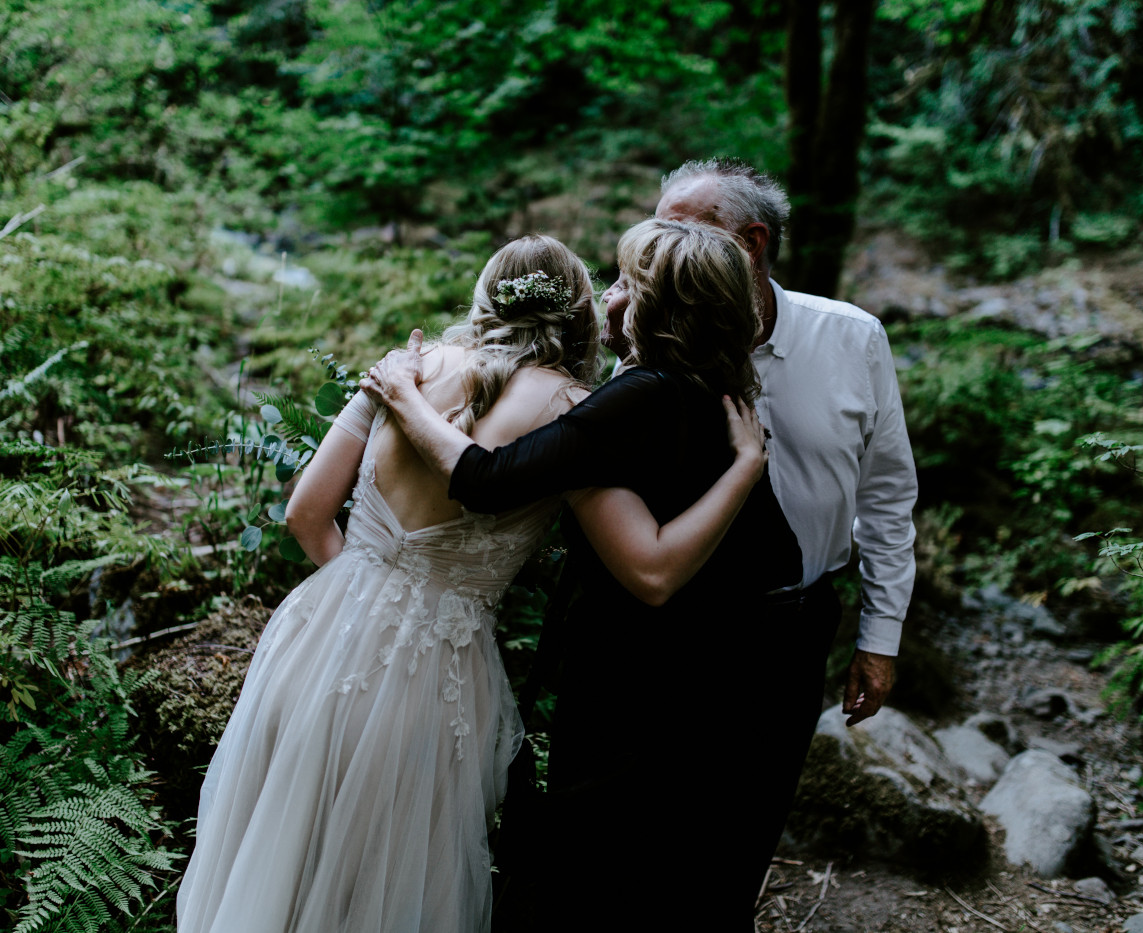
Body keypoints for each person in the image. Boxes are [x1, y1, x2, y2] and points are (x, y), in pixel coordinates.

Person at [175, 234, 771, 933]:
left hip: (316, 642)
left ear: (487, 296)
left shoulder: (408, 368)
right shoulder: (576, 411)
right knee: (383, 882)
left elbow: (307, 514)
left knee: (281, 856)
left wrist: (369, 604)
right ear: (580, 314)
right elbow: (646, 561)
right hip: (434, 674)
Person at [362, 218, 804, 928]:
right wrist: (748, 469)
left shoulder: (643, 395)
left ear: (658, 306)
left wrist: (405, 394)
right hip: (747, 653)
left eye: (627, 281)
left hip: (681, 668)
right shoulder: (707, 385)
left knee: (598, 863)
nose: (610, 296)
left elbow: (485, 476)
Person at [652, 157, 919, 852]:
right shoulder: (653, 346)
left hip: (797, 623)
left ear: (752, 242)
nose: (664, 254)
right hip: (679, 622)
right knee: (665, 821)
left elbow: (887, 495)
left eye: (686, 233)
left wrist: (879, 638)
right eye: (657, 234)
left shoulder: (854, 338)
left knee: (753, 818)